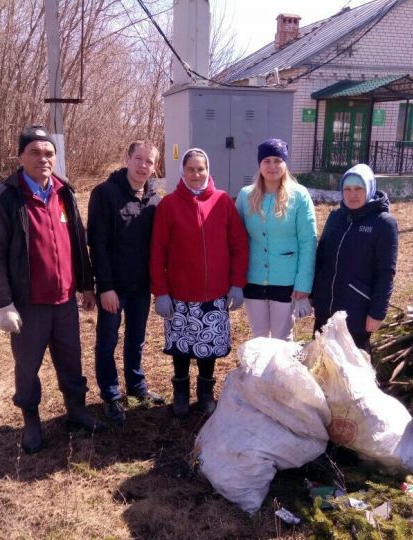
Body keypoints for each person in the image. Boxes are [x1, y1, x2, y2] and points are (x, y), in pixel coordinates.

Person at [0, 125, 105, 454]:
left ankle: (76, 410)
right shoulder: (6, 197)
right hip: (28, 303)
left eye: (49, 153)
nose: (43, 159)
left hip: (64, 299)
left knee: (71, 360)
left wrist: (86, 285)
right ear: (21, 156)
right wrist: (3, 302)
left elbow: (78, 241)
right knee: (27, 365)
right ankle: (31, 420)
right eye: (35, 152)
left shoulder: (65, 192)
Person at [150, 148, 248, 418]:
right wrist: (161, 291)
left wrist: (237, 283)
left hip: (214, 293)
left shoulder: (223, 201)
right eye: (191, 169)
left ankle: (205, 391)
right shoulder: (169, 204)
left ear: (208, 170)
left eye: (200, 169)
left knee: (208, 347)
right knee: (181, 347)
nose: (196, 174)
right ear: (183, 171)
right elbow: (157, 252)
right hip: (179, 295)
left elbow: (239, 245)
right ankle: (181, 391)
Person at [87, 141, 165, 425]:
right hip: (114, 287)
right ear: (127, 159)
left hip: (141, 286)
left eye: (149, 162)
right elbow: (97, 242)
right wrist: (105, 286)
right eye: (139, 159)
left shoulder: (155, 200)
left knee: (137, 339)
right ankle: (110, 394)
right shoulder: (105, 194)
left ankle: (136, 386)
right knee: (107, 340)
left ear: (155, 166)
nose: (143, 166)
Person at [311, 163, 399, 354]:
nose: (352, 194)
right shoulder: (335, 216)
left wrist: (377, 313)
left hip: (357, 311)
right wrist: (313, 294)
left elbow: (386, 272)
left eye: (359, 188)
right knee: (319, 363)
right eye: (347, 189)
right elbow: (321, 256)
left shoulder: (383, 223)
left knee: (352, 369)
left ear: (369, 189)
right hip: (326, 306)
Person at [235, 138, 317, 341]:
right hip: (253, 278)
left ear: (285, 164)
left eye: (277, 160)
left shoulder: (299, 196)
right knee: (259, 337)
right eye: (267, 161)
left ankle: (281, 374)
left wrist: (304, 283)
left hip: (287, 281)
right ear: (259, 164)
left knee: (282, 337)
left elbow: (308, 241)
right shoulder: (246, 196)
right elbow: (237, 240)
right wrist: (235, 279)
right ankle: (261, 374)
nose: (272, 166)